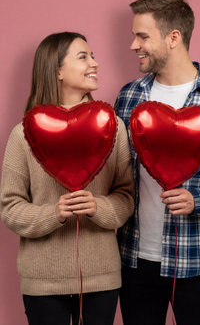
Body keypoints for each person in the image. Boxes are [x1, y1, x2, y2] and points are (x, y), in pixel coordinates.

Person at [114, 0, 200, 325]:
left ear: (173, 37)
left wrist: (197, 200)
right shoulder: (129, 96)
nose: (134, 45)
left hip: (197, 259)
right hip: (134, 258)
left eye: (142, 36)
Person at [0, 32, 134, 325]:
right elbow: (9, 208)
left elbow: (126, 197)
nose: (95, 63)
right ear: (57, 70)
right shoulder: (22, 134)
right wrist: (54, 213)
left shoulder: (115, 128)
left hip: (103, 278)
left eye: (93, 55)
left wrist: (98, 207)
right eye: (83, 56)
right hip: (43, 282)